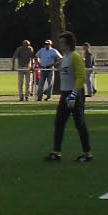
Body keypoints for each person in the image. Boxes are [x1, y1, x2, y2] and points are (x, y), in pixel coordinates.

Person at [43, 31, 92, 163]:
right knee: (59, 122)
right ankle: (56, 152)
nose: (60, 45)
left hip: (74, 94)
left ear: (68, 44)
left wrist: (74, 94)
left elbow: (81, 77)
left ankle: (87, 153)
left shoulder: (75, 57)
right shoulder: (64, 58)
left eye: (62, 42)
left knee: (79, 124)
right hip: (65, 93)